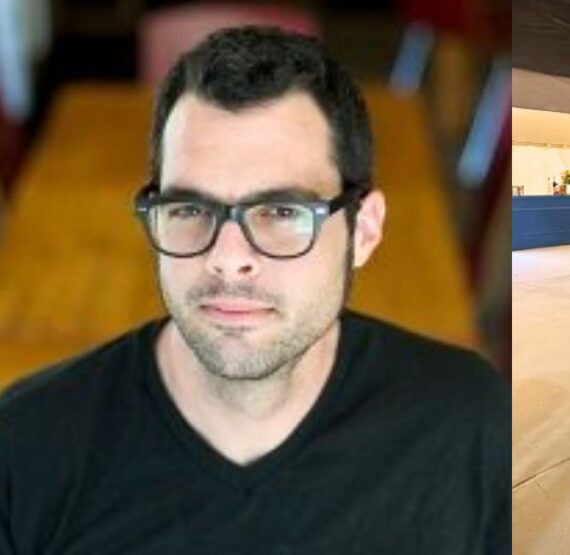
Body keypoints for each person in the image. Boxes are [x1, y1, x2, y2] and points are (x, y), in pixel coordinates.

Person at [0, 27, 510, 554]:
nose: (227, 259)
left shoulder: (472, 426)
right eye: (190, 210)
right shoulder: (26, 448)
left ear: (364, 230)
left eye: (281, 212)